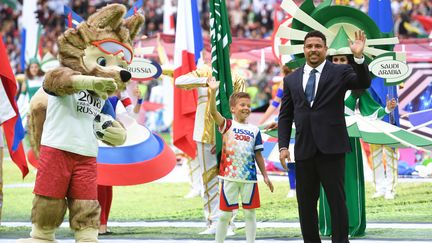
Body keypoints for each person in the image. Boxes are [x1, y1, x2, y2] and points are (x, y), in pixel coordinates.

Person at [278, 30, 371, 243]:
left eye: (318, 46)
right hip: (304, 151)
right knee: (306, 204)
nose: (313, 50)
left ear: (325, 49)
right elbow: (285, 116)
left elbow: (362, 83)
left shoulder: (340, 72)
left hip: (332, 149)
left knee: (337, 202)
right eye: (309, 46)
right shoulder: (291, 79)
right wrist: (283, 146)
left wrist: (358, 57)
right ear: (304, 50)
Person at [318, 52, 397, 237]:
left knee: (350, 180)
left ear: (349, 63)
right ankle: (328, 225)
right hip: (324, 139)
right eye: (335, 59)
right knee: (326, 181)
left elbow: (369, 112)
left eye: (342, 59)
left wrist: (387, 109)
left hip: (348, 139)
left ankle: (352, 223)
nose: (338, 63)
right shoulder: (320, 84)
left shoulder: (357, 88)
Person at [175, 65, 245, 234]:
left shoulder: (236, 76)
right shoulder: (204, 71)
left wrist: (232, 133)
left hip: (228, 133)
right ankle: (213, 221)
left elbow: (240, 107)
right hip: (203, 133)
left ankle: (229, 223)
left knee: (230, 180)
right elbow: (179, 81)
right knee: (208, 178)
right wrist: (205, 81)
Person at [208, 78, 274, 243]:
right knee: (224, 215)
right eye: (242, 105)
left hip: (249, 179)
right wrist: (213, 91)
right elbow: (213, 113)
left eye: (248, 105)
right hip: (229, 177)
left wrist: (265, 176)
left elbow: (258, 154)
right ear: (232, 108)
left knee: (250, 213)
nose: (246, 108)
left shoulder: (254, 130)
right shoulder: (228, 125)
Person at [98, 87, 142, 235]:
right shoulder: (111, 97)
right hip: (100, 143)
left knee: (103, 184)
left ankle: (101, 224)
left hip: (102, 143)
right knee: (102, 184)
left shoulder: (117, 97)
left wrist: (140, 100)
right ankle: (101, 224)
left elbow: (131, 115)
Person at [258, 65, 296, 198]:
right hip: (288, 123)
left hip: (302, 123)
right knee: (290, 157)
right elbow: (275, 104)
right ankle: (293, 188)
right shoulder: (285, 82)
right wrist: (261, 122)